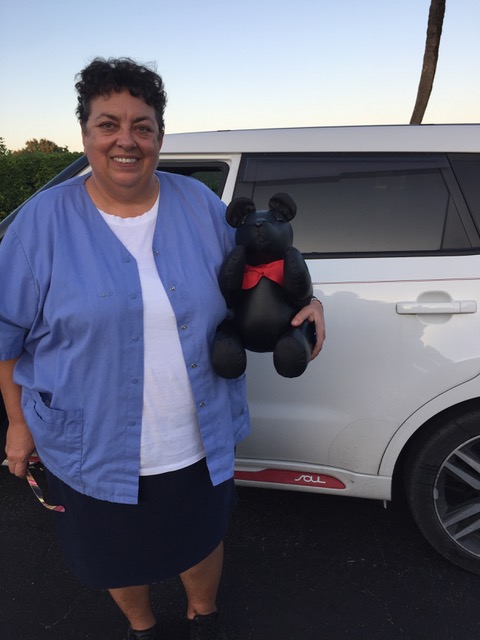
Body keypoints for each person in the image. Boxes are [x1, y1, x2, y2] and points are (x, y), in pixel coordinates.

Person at [0, 57, 325, 640]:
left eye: (142, 126)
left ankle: (204, 615)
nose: (126, 140)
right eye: (108, 124)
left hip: (193, 436)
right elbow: (5, 336)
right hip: (90, 442)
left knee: (199, 539)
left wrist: (311, 301)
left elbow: (263, 267)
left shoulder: (199, 206)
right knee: (114, 554)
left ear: (159, 135)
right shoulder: (40, 224)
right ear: (86, 133)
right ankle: (143, 627)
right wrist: (18, 423)